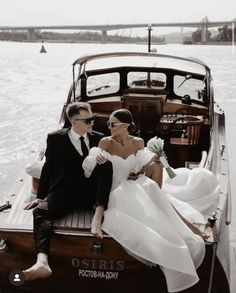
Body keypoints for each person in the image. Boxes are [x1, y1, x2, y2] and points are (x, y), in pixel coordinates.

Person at [82, 108, 220, 293]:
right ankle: (163, 243)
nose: (109, 127)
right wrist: (96, 158)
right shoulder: (105, 142)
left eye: (112, 124)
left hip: (134, 183)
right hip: (114, 189)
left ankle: (190, 230)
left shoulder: (138, 142)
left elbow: (143, 161)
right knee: (142, 201)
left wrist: (150, 163)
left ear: (124, 126)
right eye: (108, 124)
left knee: (152, 190)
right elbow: (89, 168)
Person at [23, 102, 113, 281]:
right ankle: (42, 262)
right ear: (74, 121)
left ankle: (98, 215)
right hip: (65, 192)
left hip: (92, 194)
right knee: (39, 212)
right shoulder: (55, 139)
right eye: (88, 120)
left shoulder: (99, 138)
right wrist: (40, 197)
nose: (92, 123)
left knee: (106, 163)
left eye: (93, 119)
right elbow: (48, 168)